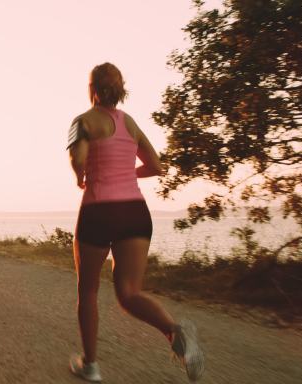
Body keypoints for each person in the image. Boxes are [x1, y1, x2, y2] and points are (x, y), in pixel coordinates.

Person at [66, 63, 204, 382]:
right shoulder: (130, 123)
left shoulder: (82, 121)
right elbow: (157, 166)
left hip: (100, 210)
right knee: (129, 293)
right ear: (120, 90)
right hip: (135, 213)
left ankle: (90, 365)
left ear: (94, 90)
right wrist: (128, 173)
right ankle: (176, 333)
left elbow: (78, 158)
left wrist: (79, 176)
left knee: (87, 291)